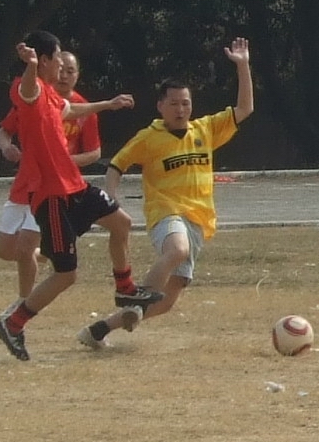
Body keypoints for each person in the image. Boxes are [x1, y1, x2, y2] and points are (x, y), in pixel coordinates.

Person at [0, 30, 163, 361]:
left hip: (75, 187)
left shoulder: (52, 95)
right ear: (45, 60)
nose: (62, 65)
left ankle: (125, 289)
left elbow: (70, 110)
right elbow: (28, 90)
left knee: (121, 223)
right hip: (51, 197)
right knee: (66, 274)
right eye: (58, 59)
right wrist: (31, 65)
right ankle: (13, 323)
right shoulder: (29, 88)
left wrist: (108, 104)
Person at [77, 37, 254, 349]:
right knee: (177, 250)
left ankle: (99, 329)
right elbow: (117, 165)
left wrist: (243, 65)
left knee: (167, 301)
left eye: (185, 103)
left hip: (198, 219)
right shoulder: (150, 136)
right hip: (166, 214)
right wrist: (111, 197)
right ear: (160, 106)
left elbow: (245, 108)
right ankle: (135, 296)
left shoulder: (205, 129)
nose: (181, 109)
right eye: (174, 103)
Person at [0, 51, 103, 318]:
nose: (64, 75)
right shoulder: (33, 97)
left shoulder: (84, 109)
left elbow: (95, 153)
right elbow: (5, 130)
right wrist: (6, 146)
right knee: (5, 250)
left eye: (71, 71)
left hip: (54, 188)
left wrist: (61, 162)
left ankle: (23, 304)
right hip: (25, 182)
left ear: (78, 75)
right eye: (61, 68)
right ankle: (47, 253)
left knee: (25, 248)